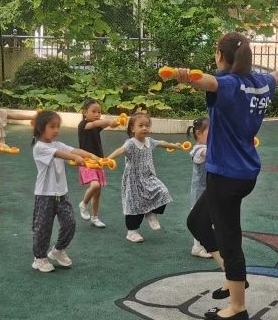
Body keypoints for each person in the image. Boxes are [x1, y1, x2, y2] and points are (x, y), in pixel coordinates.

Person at [179, 33, 278, 320]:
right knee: (197, 222)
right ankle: (233, 277)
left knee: (229, 239)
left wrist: (185, 76)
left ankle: (238, 307)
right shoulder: (259, 82)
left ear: (220, 56)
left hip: (226, 175)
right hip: (243, 172)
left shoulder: (228, 83)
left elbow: (209, 82)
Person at [30, 110, 97, 273]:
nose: (56, 130)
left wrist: (90, 155)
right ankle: (39, 258)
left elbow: (73, 150)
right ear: (41, 128)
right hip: (45, 195)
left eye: (58, 127)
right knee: (43, 227)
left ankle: (58, 250)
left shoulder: (56, 143)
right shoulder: (39, 147)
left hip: (61, 193)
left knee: (70, 223)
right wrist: (75, 159)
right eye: (52, 127)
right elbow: (63, 154)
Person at [106, 113, 180, 244]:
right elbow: (120, 150)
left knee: (163, 191)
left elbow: (162, 143)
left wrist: (174, 145)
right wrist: (107, 159)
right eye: (140, 125)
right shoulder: (130, 143)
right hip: (133, 180)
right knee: (135, 204)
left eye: (147, 125)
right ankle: (132, 232)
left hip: (148, 176)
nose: (144, 128)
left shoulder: (149, 141)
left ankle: (151, 213)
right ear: (132, 128)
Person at [76, 99, 121, 229]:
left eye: (99, 112)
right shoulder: (83, 125)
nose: (97, 114)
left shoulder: (96, 125)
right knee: (95, 185)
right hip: (87, 162)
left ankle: (95, 218)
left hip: (98, 162)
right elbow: (96, 123)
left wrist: (115, 123)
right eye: (94, 111)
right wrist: (108, 121)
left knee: (97, 193)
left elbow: (103, 124)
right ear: (85, 112)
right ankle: (83, 204)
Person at [186, 117, 212, 258]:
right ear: (198, 133)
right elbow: (207, 153)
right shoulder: (198, 150)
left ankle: (207, 244)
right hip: (199, 193)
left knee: (209, 219)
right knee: (200, 220)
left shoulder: (208, 147)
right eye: (210, 132)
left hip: (209, 191)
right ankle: (197, 247)